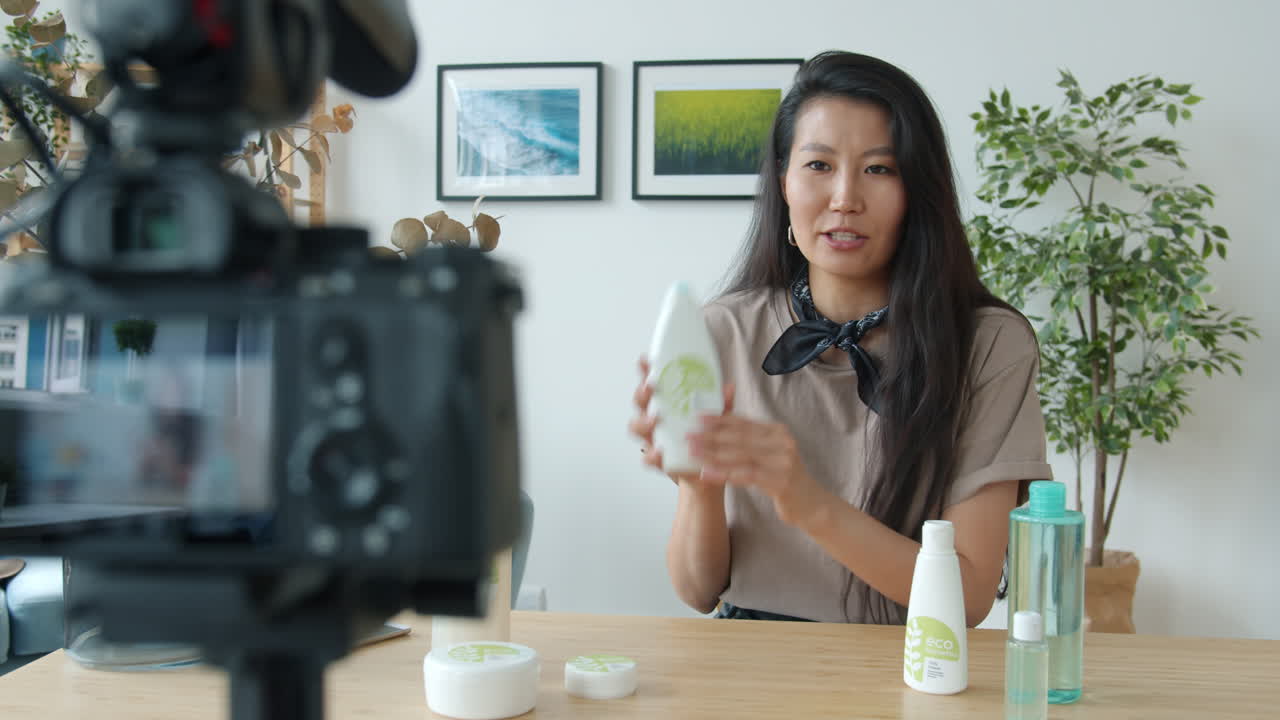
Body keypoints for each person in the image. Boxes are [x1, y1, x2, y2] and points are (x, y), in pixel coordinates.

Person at [629, 51, 1052, 626]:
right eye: (819, 165)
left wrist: (805, 500)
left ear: (917, 194)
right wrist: (699, 488)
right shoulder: (721, 330)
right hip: (747, 662)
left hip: (910, 662)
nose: (845, 197)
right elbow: (699, 590)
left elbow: (971, 595)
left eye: (879, 169)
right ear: (783, 182)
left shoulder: (989, 345)